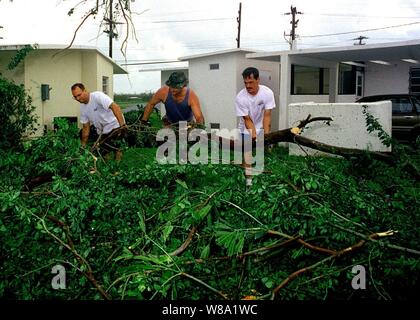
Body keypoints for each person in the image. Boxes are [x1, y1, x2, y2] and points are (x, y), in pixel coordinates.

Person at [235, 67, 276, 189]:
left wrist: (266, 136)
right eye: (245, 83)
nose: (248, 85)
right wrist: (254, 137)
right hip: (246, 128)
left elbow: (267, 116)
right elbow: (247, 120)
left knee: (260, 155)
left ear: (258, 80)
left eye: (251, 82)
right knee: (247, 153)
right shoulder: (240, 98)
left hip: (261, 125)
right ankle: (248, 182)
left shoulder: (267, 93)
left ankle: (261, 180)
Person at [71, 83, 127, 161]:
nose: (77, 98)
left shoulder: (98, 96)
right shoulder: (82, 108)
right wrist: (82, 146)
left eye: (79, 95)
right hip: (102, 131)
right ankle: (106, 169)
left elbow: (115, 107)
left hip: (115, 125)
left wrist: (122, 126)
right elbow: (85, 128)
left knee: (117, 149)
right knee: (104, 153)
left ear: (85, 90)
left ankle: (117, 169)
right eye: (75, 97)